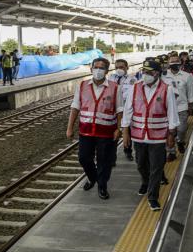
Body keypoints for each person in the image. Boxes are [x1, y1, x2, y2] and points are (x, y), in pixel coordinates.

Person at [122, 60, 179, 211]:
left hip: (158, 136)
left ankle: (153, 197)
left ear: (156, 73)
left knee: (156, 167)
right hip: (138, 135)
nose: (145, 75)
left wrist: (172, 135)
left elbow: (172, 113)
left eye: (148, 72)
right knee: (141, 164)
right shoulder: (135, 88)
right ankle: (145, 182)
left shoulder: (167, 89)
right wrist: (125, 131)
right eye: (144, 72)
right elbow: (128, 110)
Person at [66, 57, 123, 200]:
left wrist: (119, 129)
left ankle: (102, 186)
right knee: (84, 158)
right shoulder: (83, 85)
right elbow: (75, 107)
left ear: (107, 71)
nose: (98, 70)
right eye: (95, 67)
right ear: (91, 69)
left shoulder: (115, 87)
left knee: (104, 160)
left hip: (106, 132)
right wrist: (69, 128)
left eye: (101, 68)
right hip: (86, 130)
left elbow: (119, 110)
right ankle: (93, 178)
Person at [162, 56, 193, 162]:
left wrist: (191, 105)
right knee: (169, 132)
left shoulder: (187, 76)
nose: (174, 63)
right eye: (172, 62)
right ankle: (171, 152)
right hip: (167, 109)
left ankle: (180, 141)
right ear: (168, 63)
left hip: (181, 107)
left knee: (181, 129)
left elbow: (190, 91)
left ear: (180, 63)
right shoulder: (163, 76)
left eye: (176, 62)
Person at [108, 59, 137, 161]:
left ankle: (127, 151)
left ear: (127, 68)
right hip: (112, 109)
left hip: (125, 109)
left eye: (121, 67)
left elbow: (131, 95)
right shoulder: (111, 78)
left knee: (127, 130)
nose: (119, 69)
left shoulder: (132, 80)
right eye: (117, 67)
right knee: (112, 132)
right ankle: (112, 156)